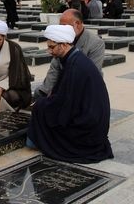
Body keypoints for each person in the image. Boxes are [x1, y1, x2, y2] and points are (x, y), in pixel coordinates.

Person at [27, 24, 114, 164]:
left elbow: (66, 103)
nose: (49, 51)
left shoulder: (76, 65)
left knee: (40, 107)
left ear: (64, 45)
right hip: (92, 121)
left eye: (52, 47)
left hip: (89, 129)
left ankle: (36, 141)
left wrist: (42, 104)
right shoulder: (74, 59)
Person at [34, 9, 105, 99]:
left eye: (65, 26)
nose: (62, 29)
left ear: (78, 24)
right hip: (64, 87)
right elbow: (55, 68)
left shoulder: (95, 43)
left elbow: (91, 74)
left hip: (85, 91)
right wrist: (43, 91)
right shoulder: (61, 38)